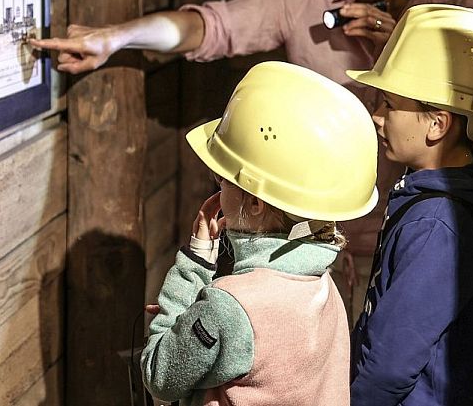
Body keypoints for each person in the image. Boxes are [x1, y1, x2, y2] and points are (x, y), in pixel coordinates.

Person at [31, 0, 473, 315]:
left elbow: (471, 121)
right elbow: (212, 25)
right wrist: (115, 38)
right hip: (313, 249)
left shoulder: (452, 5)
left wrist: (401, 43)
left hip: (419, 238)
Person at [141, 61, 378, 405]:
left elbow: (160, 376)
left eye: (224, 178)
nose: (219, 185)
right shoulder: (323, 287)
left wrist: (194, 264)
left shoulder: (227, 306)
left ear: (254, 202)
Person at [346, 4, 473, 405]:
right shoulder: (442, 200)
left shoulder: (436, 225)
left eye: (390, 105)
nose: (377, 117)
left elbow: (390, 366)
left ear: (438, 124)